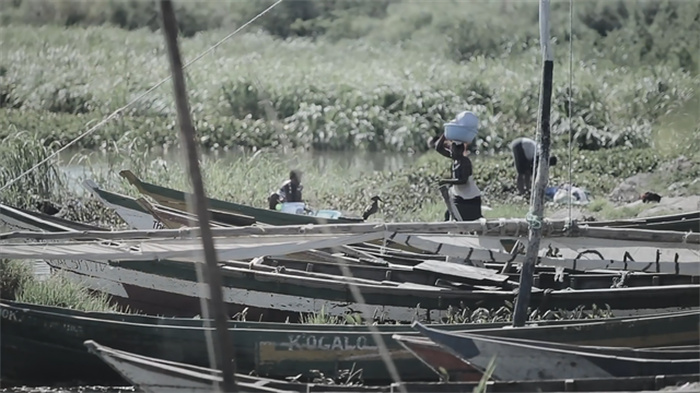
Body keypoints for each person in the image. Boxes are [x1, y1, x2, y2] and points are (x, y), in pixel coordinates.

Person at [434, 114, 482, 222]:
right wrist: (446, 132)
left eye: (453, 149)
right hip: (459, 197)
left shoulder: (464, 162)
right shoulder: (456, 159)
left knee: (469, 222)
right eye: (451, 149)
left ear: (460, 150)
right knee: (449, 216)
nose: (451, 152)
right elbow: (438, 148)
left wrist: (445, 181)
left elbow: (463, 180)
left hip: (470, 199)